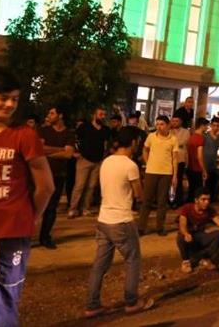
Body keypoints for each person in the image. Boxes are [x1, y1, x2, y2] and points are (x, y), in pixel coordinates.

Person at [0, 68, 54, 327]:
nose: (10, 104)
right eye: (3, 98)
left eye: (14, 99)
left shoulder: (23, 135)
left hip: (8, 232)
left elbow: (45, 186)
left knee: (0, 306)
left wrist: (29, 219)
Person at [84, 127, 154, 318]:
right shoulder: (130, 165)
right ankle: (131, 302)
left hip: (103, 219)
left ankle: (92, 305)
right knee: (133, 260)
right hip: (121, 220)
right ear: (133, 142)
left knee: (100, 265)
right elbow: (139, 195)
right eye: (138, 141)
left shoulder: (107, 161)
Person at [38, 106, 76, 249]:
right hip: (41, 173)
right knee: (34, 206)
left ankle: (45, 237)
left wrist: (48, 151)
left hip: (58, 175)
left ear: (60, 115)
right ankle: (25, 236)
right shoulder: (43, 130)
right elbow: (39, 149)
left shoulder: (69, 134)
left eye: (52, 113)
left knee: (51, 208)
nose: (49, 115)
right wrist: (60, 149)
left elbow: (68, 154)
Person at [138, 116, 179, 236]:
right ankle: (141, 227)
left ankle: (160, 227)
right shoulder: (151, 136)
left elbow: (175, 158)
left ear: (168, 125)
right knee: (147, 200)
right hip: (151, 172)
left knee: (162, 202)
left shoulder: (173, 139)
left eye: (162, 124)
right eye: (157, 124)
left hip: (166, 173)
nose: (159, 127)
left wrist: (175, 175)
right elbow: (145, 150)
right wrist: (147, 162)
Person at [177, 188, 219, 273]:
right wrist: (186, 233)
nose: (206, 202)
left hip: (201, 236)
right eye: (203, 199)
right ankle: (186, 262)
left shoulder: (210, 210)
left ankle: (205, 258)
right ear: (196, 200)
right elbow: (182, 224)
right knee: (181, 236)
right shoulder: (187, 208)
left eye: (208, 199)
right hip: (189, 237)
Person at [69, 107, 109, 218]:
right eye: (100, 114)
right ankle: (73, 209)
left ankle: (85, 208)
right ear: (94, 115)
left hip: (98, 160)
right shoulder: (84, 127)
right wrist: (76, 152)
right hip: (84, 159)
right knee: (79, 185)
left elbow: (106, 143)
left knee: (91, 186)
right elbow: (75, 139)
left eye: (104, 115)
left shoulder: (105, 129)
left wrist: (104, 155)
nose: (103, 117)